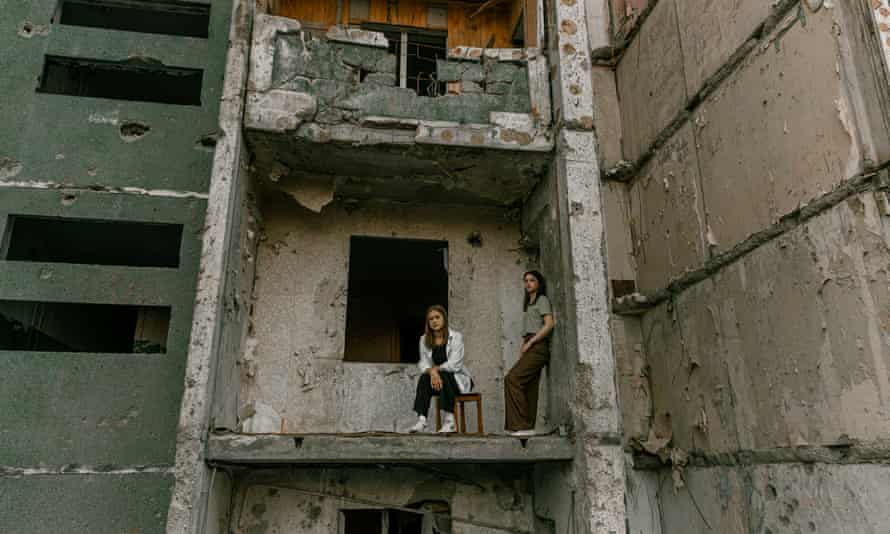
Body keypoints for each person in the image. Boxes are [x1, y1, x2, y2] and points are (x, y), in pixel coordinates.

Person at [504, 270, 555, 437]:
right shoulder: (528, 303)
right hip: (529, 345)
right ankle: (528, 427)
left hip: (538, 346)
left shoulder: (542, 300)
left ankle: (521, 425)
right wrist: (523, 347)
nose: (528, 283)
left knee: (512, 379)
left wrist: (531, 343)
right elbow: (527, 331)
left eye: (532, 280)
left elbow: (549, 325)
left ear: (539, 283)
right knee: (530, 387)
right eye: (525, 280)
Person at [408, 305, 473, 433]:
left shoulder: (456, 337)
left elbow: (455, 364)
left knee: (444, 374)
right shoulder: (424, 339)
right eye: (431, 319)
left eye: (437, 317)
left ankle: (450, 421)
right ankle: (422, 420)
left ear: (444, 318)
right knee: (424, 378)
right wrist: (431, 371)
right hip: (437, 381)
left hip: (457, 380)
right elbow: (423, 363)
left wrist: (435, 370)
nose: (434, 321)